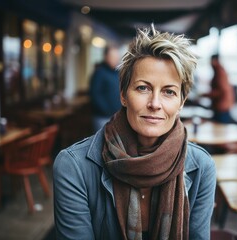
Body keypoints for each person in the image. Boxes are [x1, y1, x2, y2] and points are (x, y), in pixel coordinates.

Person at [53, 25, 216, 240]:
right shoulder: (73, 167)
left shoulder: (201, 167)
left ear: (181, 102)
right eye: (143, 88)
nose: (155, 103)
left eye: (169, 92)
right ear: (123, 94)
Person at [89, 45, 122, 132]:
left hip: (117, 117)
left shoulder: (117, 72)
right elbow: (95, 95)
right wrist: (107, 111)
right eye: (113, 57)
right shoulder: (99, 73)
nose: (116, 59)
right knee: (102, 144)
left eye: (117, 57)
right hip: (103, 118)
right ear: (106, 56)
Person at [202, 54, 235, 123]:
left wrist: (205, 95)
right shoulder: (219, 70)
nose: (210, 63)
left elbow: (222, 91)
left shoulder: (219, 72)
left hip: (221, 107)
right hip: (222, 106)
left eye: (211, 61)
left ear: (215, 61)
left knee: (220, 128)